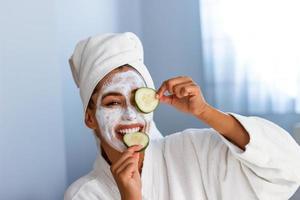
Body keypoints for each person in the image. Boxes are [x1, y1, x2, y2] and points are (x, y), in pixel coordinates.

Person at [64, 32, 300, 200]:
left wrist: (205, 112)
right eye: (113, 102)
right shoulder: (84, 194)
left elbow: (288, 168)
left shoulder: (193, 151)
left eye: (139, 97)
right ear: (90, 117)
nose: (129, 114)